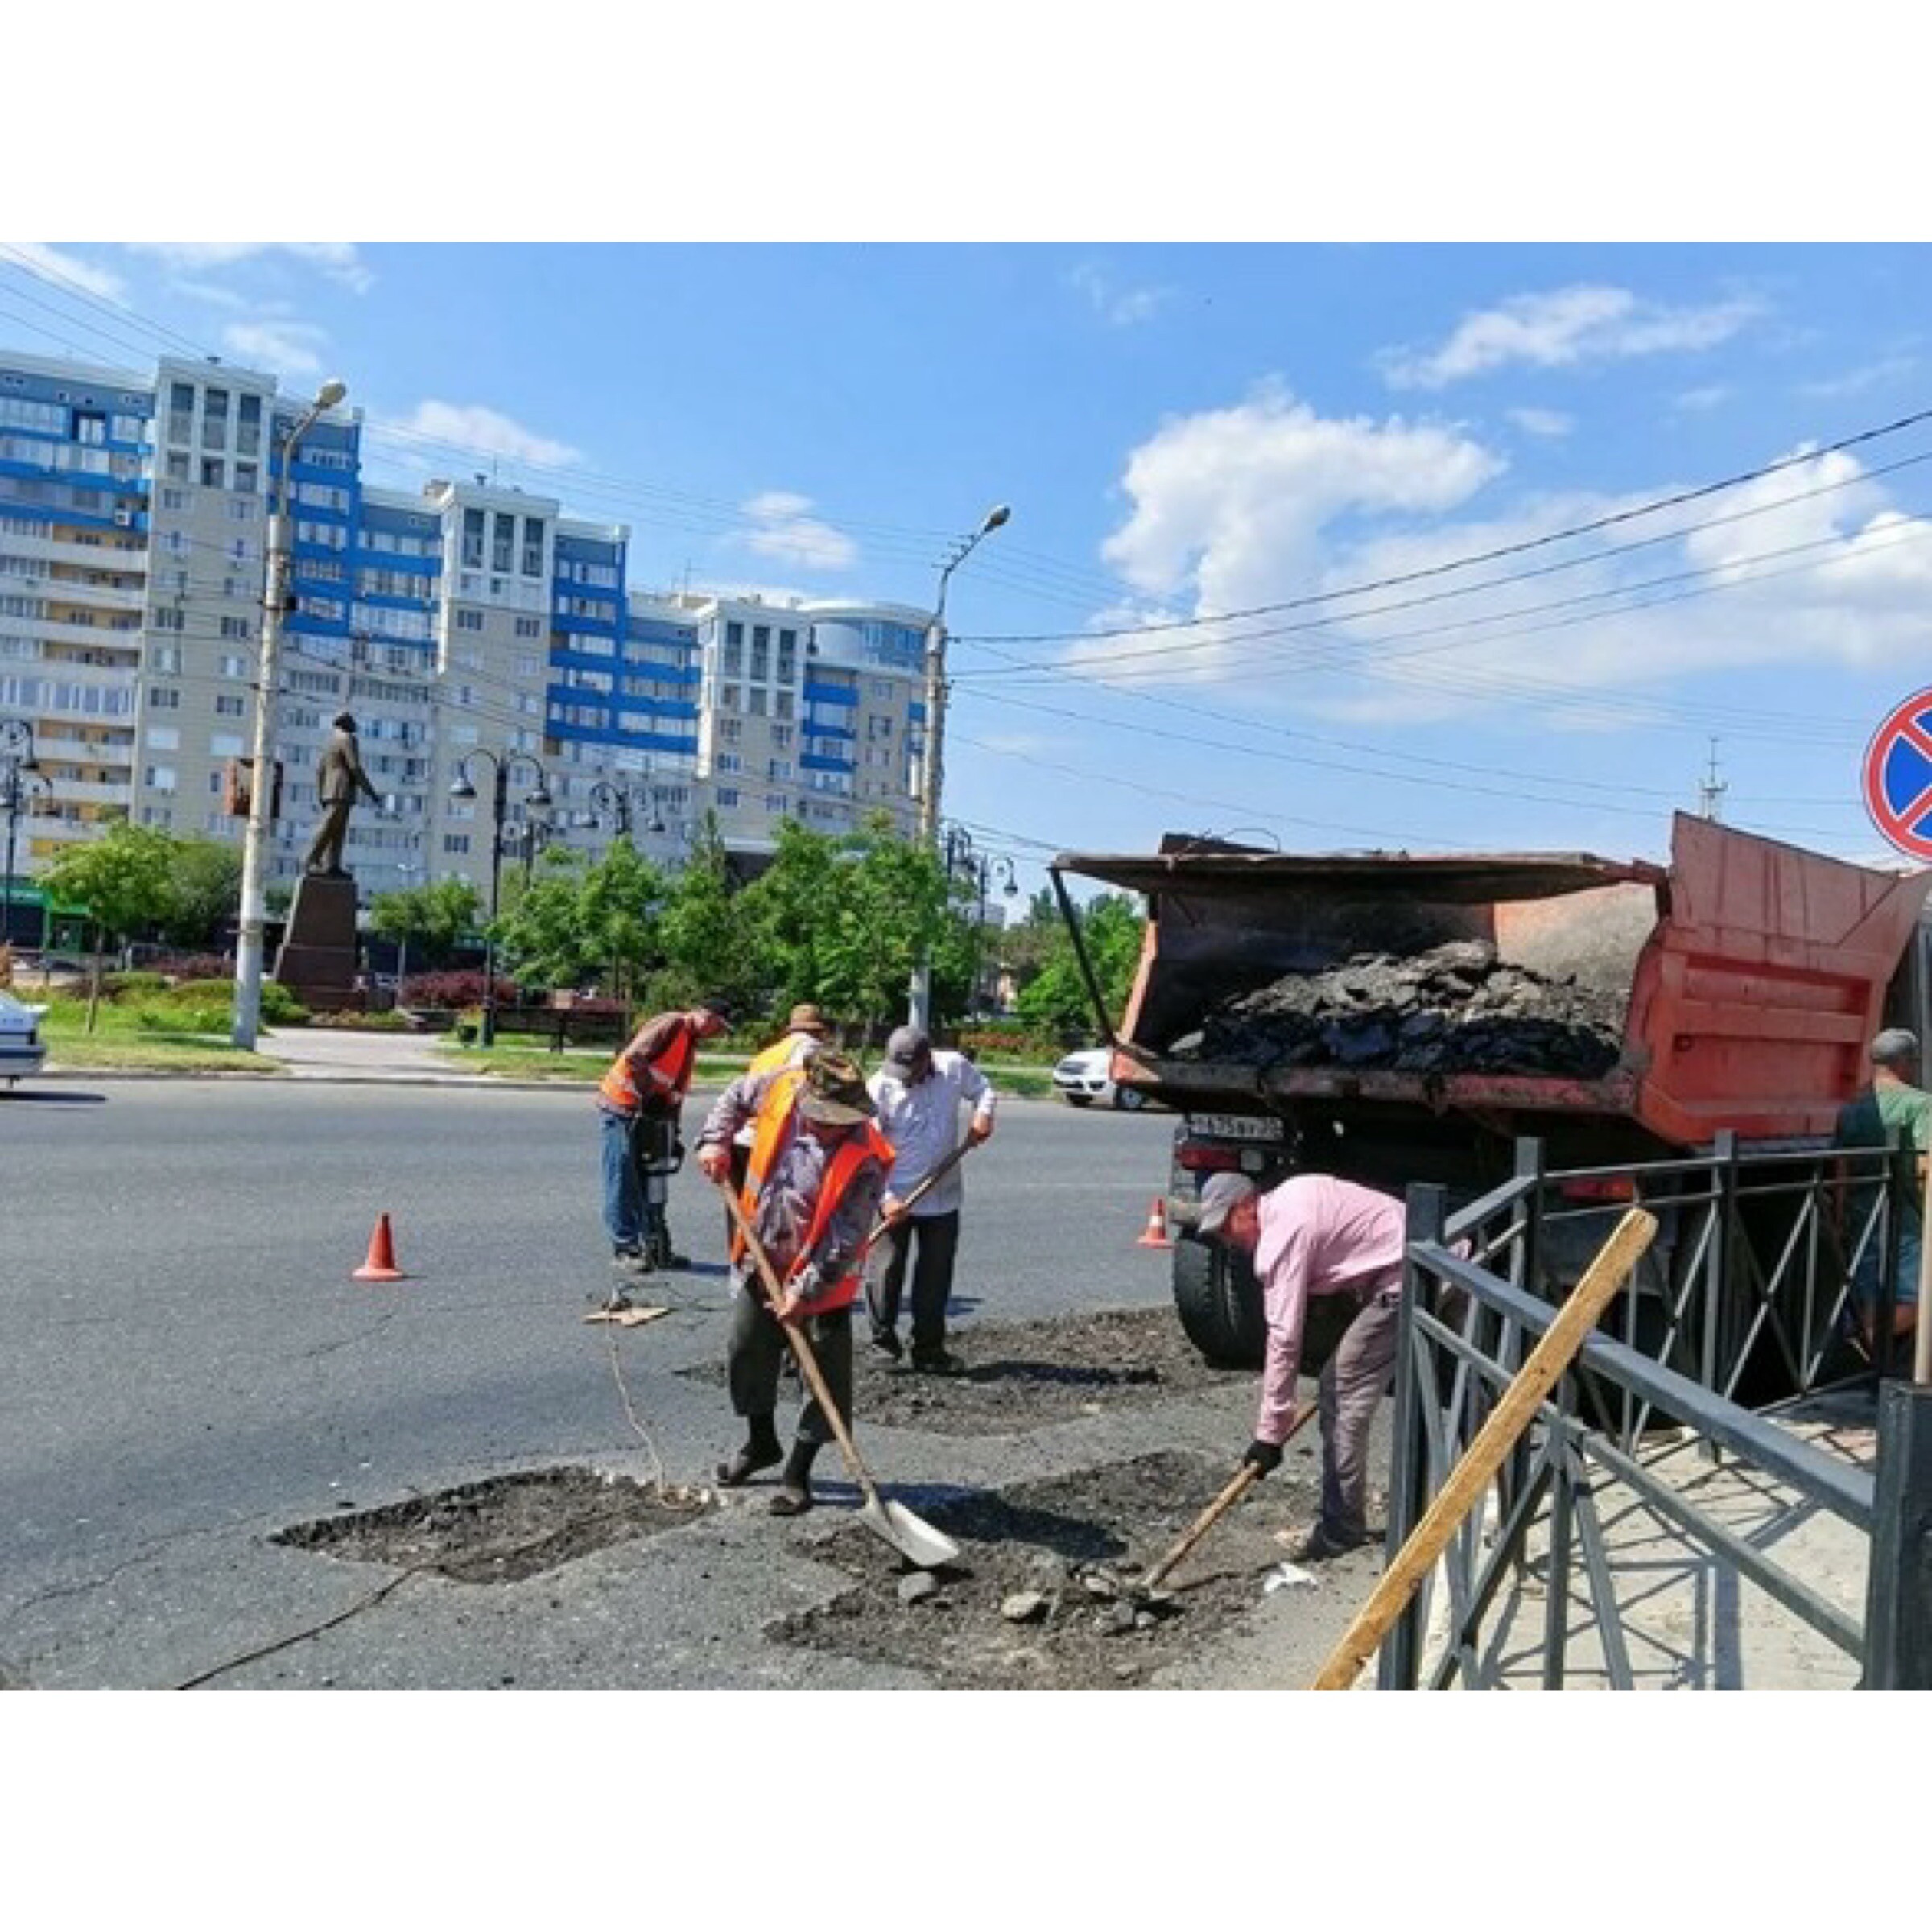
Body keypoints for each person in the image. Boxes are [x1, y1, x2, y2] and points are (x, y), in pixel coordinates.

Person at [697, 1046, 894, 1517]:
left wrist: (803, 1292)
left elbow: (845, 1240)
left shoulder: (865, 1156)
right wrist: (714, 1140)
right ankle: (761, 1443)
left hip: (822, 1276)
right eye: (824, 1118)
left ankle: (798, 1473)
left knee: (823, 1372)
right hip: (760, 1252)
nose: (831, 1128)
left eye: (841, 1120)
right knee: (746, 1349)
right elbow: (732, 1097)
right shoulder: (781, 1088)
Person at [1195, 1168, 1408, 1562]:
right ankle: (1493, 1487)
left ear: (1247, 1206)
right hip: (1434, 1253)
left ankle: (1341, 1530)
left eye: (1227, 1228)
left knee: (1341, 1392)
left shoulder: (1281, 1239)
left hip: (1407, 1276)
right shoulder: (1291, 1195)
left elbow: (1283, 1341)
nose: (1228, 1242)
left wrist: (1269, 1436)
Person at [863, 1025, 997, 1373]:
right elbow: (868, 1154)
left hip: (943, 1194)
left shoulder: (953, 1067)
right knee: (884, 1270)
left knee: (936, 1273)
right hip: (894, 1196)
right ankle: (883, 1344)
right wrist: (888, 1199)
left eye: (912, 1069)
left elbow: (984, 1090)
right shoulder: (878, 1089)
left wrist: (983, 1115)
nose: (904, 1077)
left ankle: (928, 1347)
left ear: (927, 1060)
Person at [595, 997, 733, 1278]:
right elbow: (635, 1057)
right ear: (705, 1016)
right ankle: (626, 1248)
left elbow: (674, 1092)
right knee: (622, 1178)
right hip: (622, 1108)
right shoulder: (671, 1024)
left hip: (647, 1114)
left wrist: (671, 1132)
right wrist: (651, 1095)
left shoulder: (689, 1043)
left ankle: (655, 1246)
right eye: (717, 1027)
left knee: (651, 1179)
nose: (716, 1034)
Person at [1832, 1026, 1930, 1360]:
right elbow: (1924, 1165)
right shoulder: (1917, 1104)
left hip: (1862, 1213)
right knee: (1922, 1299)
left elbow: (1840, 1168)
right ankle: (1868, 1340)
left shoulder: (1851, 1110)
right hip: (1905, 1216)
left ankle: (1875, 1364)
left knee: (1873, 1298)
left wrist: (1839, 1216)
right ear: (1903, 1063)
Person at [303, 713, 382, 877]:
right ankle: (310, 859)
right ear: (346, 723)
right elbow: (354, 767)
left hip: (330, 792)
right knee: (329, 828)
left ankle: (332, 865)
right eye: (353, 722)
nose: (355, 726)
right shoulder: (348, 739)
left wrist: (321, 795)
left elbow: (320, 770)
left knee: (336, 830)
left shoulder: (330, 741)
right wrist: (370, 791)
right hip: (342, 790)